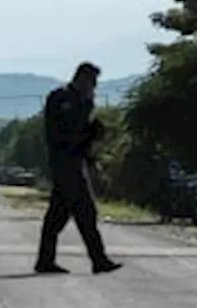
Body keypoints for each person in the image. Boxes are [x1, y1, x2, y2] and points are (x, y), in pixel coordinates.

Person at [34, 62, 122, 275]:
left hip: (75, 161)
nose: (94, 87)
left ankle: (45, 260)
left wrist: (92, 137)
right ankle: (98, 259)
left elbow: (82, 136)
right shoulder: (61, 98)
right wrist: (87, 131)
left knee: (57, 215)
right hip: (64, 162)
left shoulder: (83, 102)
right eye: (92, 82)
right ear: (81, 78)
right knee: (86, 211)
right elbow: (63, 134)